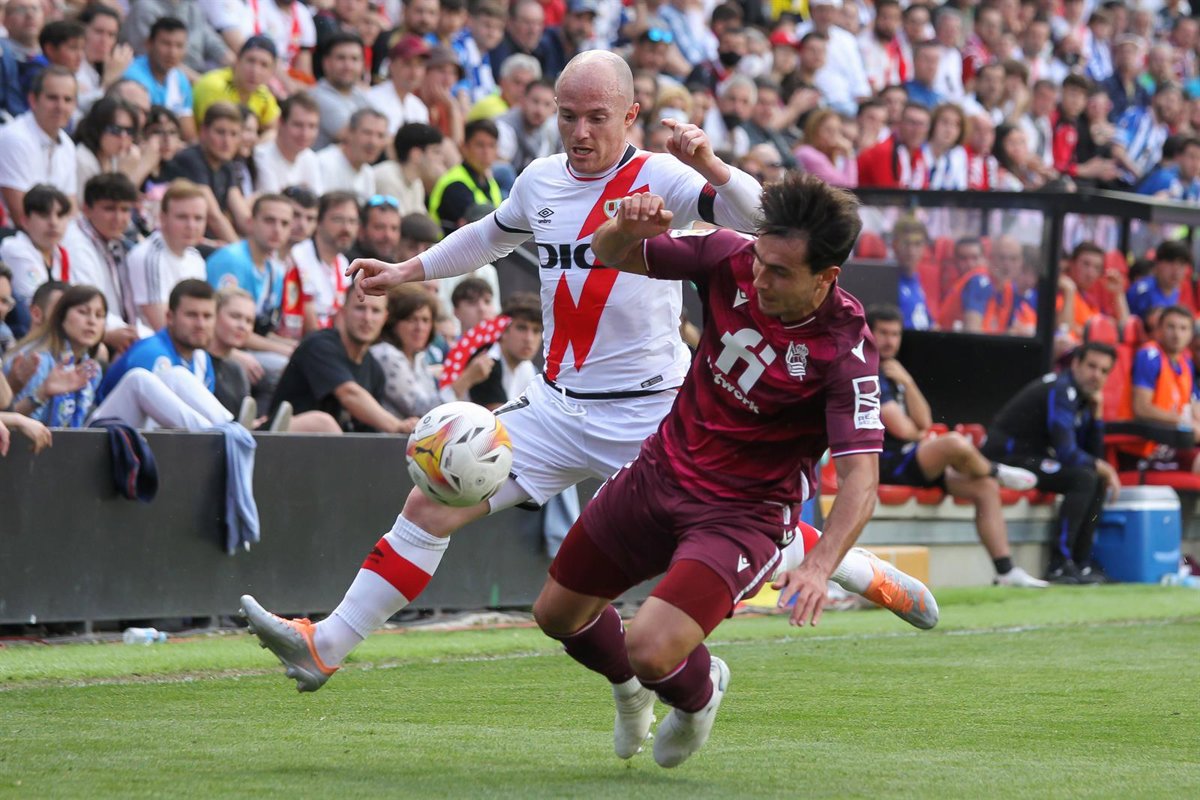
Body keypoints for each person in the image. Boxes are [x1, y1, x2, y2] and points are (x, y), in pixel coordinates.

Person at [240, 51, 928, 694]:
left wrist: (710, 164)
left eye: (597, 117)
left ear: (631, 115)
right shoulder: (540, 180)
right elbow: (489, 236)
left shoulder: (662, 176)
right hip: (554, 405)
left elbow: (762, 220)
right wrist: (407, 271)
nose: (580, 132)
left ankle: (852, 568)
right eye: (567, 116)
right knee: (431, 501)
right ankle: (325, 645)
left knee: (727, 526)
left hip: (652, 410)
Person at [531, 175, 934, 768]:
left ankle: (699, 695)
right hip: (659, 472)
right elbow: (607, 253)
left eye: (781, 272)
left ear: (826, 278)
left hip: (742, 516)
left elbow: (860, 481)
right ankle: (634, 692)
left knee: (649, 647)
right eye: (761, 259)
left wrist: (820, 569)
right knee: (555, 615)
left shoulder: (846, 351)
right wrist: (623, 226)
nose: (760, 278)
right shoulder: (729, 255)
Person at [868, 305, 1047, 587]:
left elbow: (924, 423)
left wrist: (908, 381)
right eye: (883, 333)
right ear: (869, 334)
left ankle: (1005, 571)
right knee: (952, 442)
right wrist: (916, 432)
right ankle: (995, 470)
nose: (890, 341)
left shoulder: (894, 372)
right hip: (882, 462)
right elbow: (903, 430)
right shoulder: (868, 371)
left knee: (985, 488)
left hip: (909, 459)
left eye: (895, 334)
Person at [982, 343, 1122, 584]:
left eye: (1103, 371)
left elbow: (1090, 454)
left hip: (1031, 458)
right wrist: (1105, 468)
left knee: (1093, 476)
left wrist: (1097, 418)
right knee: (1084, 477)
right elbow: (1067, 452)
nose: (1096, 375)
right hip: (1006, 459)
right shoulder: (1062, 389)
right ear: (1075, 364)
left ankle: (1081, 563)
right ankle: (1059, 564)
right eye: (1091, 366)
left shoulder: (1083, 398)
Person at [269, 286, 419, 433]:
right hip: (276, 441)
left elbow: (367, 433)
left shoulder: (375, 370)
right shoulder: (319, 345)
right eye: (360, 308)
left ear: (384, 318)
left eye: (375, 311)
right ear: (343, 312)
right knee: (322, 423)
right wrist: (397, 426)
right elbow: (349, 393)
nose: (367, 318)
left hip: (330, 448)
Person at [93, 280, 235, 431]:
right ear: (170, 317)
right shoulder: (152, 353)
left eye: (207, 316)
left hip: (156, 437)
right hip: (106, 433)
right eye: (191, 315)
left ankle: (230, 428)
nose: (200, 324)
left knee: (179, 376)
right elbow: (151, 419)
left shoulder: (202, 358)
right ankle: (222, 434)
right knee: (172, 376)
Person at [206, 193, 298, 398]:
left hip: (243, 343)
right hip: (219, 345)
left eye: (284, 223)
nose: (277, 229)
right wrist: (282, 350)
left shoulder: (275, 270)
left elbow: (261, 330)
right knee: (287, 367)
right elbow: (221, 325)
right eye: (269, 220)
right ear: (250, 222)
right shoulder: (232, 260)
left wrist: (292, 347)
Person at [63, 173, 146, 353]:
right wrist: (113, 332)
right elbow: (86, 302)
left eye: (125, 210)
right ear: (86, 209)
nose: (118, 218)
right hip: (91, 337)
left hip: (117, 331)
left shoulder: (120, 241)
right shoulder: (76, 243)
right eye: (109, 209)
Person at [5, 284, 104, 428]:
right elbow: (13, 426)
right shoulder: (37, 360)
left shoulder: (92, 369)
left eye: (99, 315)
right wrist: (42, 394)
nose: (92, 321)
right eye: (83, 312)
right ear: (61, 316)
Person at [1118, 305, 1200, 473]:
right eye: (1171, 327)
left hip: (1173, 442)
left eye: (1183, 328)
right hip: (1146, 448)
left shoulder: (1186, 362)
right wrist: (1184, 422)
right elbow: (1142, 409)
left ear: (1191, 334)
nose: (1177, 334)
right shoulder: (1149, 356)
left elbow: (1193, 405)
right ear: (1159, 329)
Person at [369, 285, 464, 418]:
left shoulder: (418, 358)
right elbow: (422, 410)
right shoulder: (386, 354)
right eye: (412, 319)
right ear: (393, 322)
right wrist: (465, 381)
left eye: (425, 320)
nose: (420, 327)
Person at [0, 66, 77, 229]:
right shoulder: (14, 138)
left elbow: (70, 209)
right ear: (33, 100)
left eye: (68, 99)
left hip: (51, 236)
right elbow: (21, 216)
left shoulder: (68, 145)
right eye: (52, 98)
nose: (60, 106)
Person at [159, 102, 247, 242]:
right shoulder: (190, 159)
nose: (227, 141)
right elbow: (214, 217)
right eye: (220, 132)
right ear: (204, 131)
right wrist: (241, 253)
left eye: (233, 134)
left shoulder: (227, 165)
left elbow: (243, 216)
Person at [127, 180, 208, 331]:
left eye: (198, 218)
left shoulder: (195, 258)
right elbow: (162, 326)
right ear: (163, 218)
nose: (191, 226)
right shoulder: (147, 257)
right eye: (182, 217)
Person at [291, 191, 359, 332]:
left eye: (352, 221)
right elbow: (309, 327)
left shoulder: (343, 262)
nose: (346, 228)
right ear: (318, 222)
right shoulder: (298, 256)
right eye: (338, 220)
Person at [123, 16, 195, 141]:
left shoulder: (181, 80)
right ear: (149, 44)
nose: (172, 52)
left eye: (179, 46)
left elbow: (188, 134)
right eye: (166, 44)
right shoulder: (132, 77)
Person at [468, 292, 543, 409]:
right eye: (521, 328)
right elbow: (498, 416)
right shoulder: (486, 361)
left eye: (536, 330)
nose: (529, 338)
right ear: (503, 330)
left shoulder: (529, 368)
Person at [428, 119, 502, 235]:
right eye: (480, 145)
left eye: (491, 146)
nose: (486, 152)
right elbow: (481, 227)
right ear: (464, 147)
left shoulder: (490, 182)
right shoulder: (454, 185)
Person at [192, 36, 281, 131]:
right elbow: (219, 135)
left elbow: (276, 129)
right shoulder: (214, 85)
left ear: (272, 71)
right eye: (250, 61)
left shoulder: (262, 92)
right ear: (237, 60)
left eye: (264, 65)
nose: (255, 71)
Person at [3, 184, 70, 308]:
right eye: (44, 215)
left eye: (60, 215)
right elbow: (39, 305)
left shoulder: (60, 254)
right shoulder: (15, 249)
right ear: (25, 221)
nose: (54, 223)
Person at [309, 30, 371, 149]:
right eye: (341, 58)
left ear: (363, 65)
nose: (348, 66)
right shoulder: (317, 97)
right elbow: (358, 140)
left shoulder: (359, 94)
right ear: (326, 63)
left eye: (354, 59)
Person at [254, 93, 323, 195]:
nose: (305, 134)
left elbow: (317, 200)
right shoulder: (261, 157)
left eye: (312, 126)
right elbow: (273, 202)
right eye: (298, 125)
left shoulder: (310, 157)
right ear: (281, 123)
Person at [73, 96, 143, 196]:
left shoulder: (114, 157)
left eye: (129, 131)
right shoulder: (83, 160)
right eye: (115, 129)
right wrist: (123, 175)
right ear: (98, 127)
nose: (123, 137)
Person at [316, 108, 389, 200]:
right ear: (350, 132)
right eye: (367, 133)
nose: (373, 142)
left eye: (380, 136)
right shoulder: (323, 163)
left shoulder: (368, 173)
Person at [372, 123, 445, 215]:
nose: (441, 159)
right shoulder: (388, 178)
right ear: (416, 154)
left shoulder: (416, 183)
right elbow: (397, 222)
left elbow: (421, 220)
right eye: (436, 152)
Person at [366, 35, 430, 137]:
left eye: (419, 65)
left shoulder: (419, 107)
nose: (414, 72)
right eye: (407, 64)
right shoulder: (372, 99)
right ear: (391, 65)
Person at [1127, 240, 1192, 323]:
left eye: (1182, 264)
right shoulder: (1142, 290)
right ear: (1157, 263)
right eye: (1170, 262)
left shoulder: (1180, 291)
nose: (1176, 270)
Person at [890, 216, 932, 330]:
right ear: (895, 245)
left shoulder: (916, 279)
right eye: (906, 244)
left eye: (917, 244)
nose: (911, 251)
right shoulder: (887, 282)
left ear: (924, 248)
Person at [348, 195, 403, 263]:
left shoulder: (396, 266)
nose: (388, 235)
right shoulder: (345, 264)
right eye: (380, 227)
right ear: (361, 230)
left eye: (394, 228)